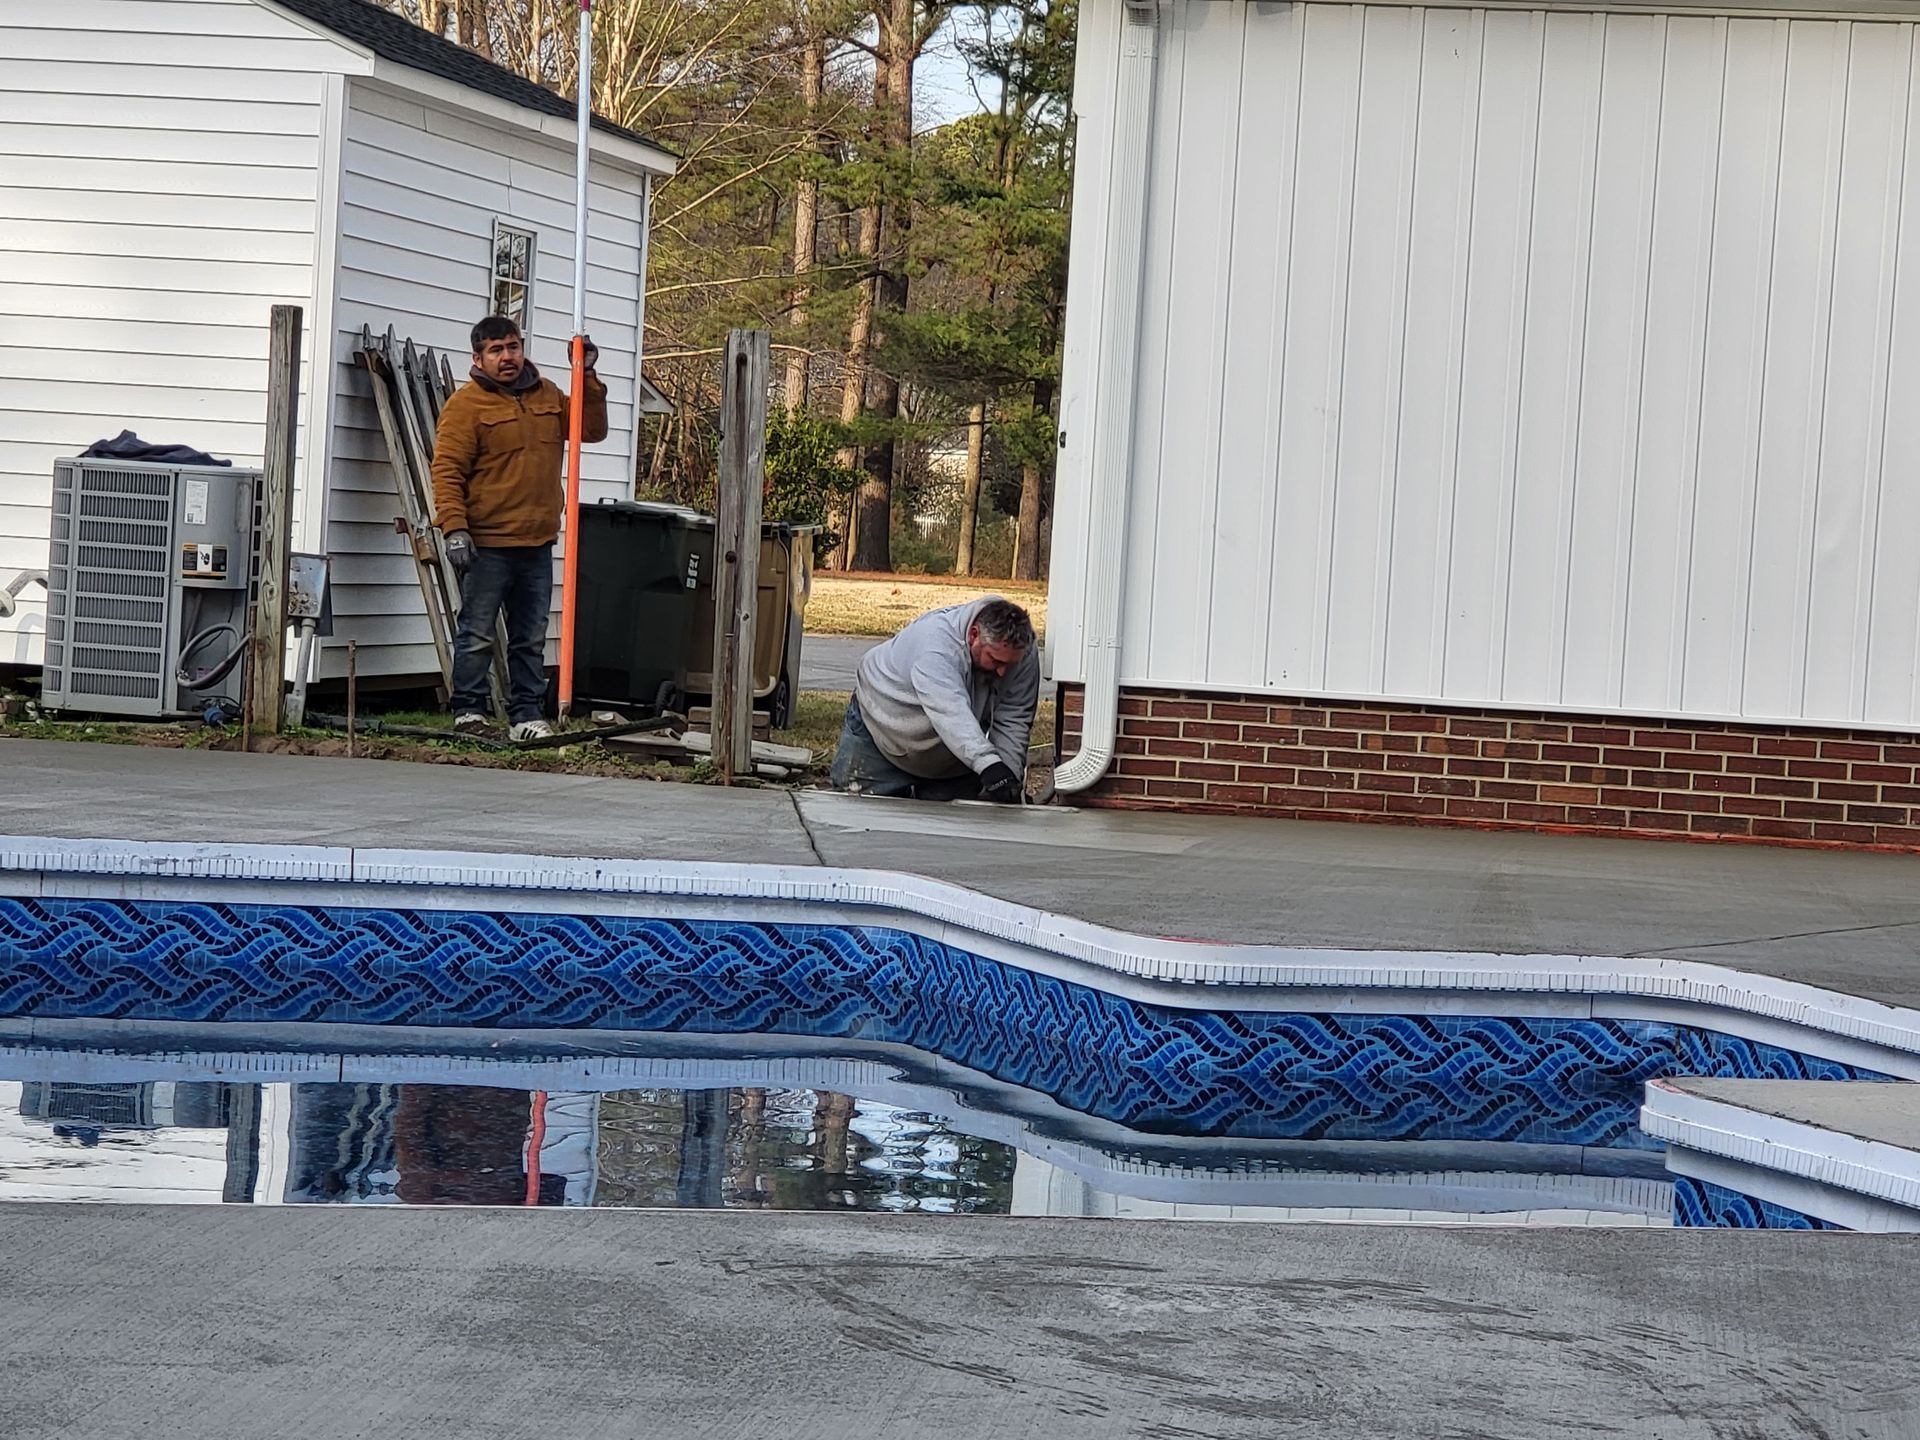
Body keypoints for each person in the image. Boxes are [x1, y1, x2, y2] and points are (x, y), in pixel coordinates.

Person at [430, 316, 607, 741]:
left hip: (536, 542)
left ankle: (526, 715)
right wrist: (455, 528)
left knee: (529, 638)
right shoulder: (466, 406)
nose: (507, 357)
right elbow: (447, 471)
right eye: (496, 350)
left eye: (513, 347)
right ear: (478, 358)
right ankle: (469, 712)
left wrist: (587, 375)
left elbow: (591, 429)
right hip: (486, 543)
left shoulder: (548, 395)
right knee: (477, 632)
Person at [830, 596, 1039, 803]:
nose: (1003, 672)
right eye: (995, 660)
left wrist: (1007, 777)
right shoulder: (935, 645)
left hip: (951, 751)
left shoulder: (1023, 653)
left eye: (1010, 665)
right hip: (881, 723)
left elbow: (1014, 717)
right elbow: (950, 712)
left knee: (952, 821)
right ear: (973, 635)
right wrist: (989, 765)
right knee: (858, 811)